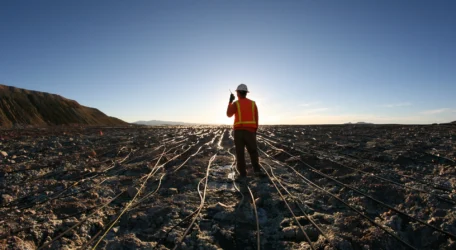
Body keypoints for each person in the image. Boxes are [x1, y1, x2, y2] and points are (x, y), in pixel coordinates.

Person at [226, 83, 265, 179]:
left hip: (238, 132)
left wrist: (230, 101)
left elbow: (229, 114)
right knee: (253, 151)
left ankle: (243, 173)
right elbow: (256, 118)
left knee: (240, 153)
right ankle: (257, 170)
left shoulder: (236, 104)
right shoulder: (253, 103)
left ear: (238, 93)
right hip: (250, 131)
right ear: (246, 93)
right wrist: (254, 130)